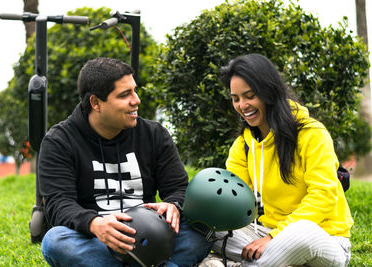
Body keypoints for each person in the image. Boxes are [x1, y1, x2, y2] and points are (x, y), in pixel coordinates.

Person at [38, 57, 212, 266]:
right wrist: (94, 223)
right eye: (124, 95)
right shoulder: (59, 141)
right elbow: (59, 204)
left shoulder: (154, 134)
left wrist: (174, 205)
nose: (136, 100)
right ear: (95, 103)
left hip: (153, 236)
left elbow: (178, 188)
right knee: (55, 241)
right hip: (97, 240)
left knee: (204, 228)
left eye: (134, 90)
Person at [209, 54, 353, 267]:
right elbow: (237, 204)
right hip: (262, 235)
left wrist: (274, 237)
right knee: (205, 226)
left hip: (321, 237)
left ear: (269, 91)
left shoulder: (311, 133)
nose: (242, 105)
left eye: (249, 95)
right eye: (236, 98)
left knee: (302, 233)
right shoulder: (243, 146)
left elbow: (323, 196)